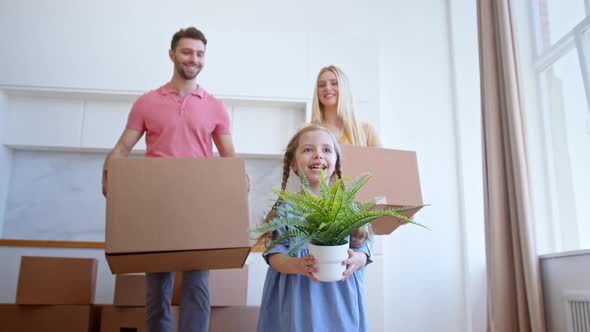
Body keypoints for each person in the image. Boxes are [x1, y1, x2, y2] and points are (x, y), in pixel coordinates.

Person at [101, 27, 236, 332]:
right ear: (172, 54)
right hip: (156, 205)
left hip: (198, 207)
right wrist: (109, 170)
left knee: (197, 288)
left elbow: (229, 156)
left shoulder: (215, 106)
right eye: (187, 52)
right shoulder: (147, 103)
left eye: (200, 54)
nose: (194, 59)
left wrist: (240, 184)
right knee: (157, 291)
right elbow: (123, 148)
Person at [256, 125, 372, 332]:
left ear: (335, 161)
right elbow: (274, 255)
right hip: (297, 301)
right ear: (292, 163)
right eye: (308, 150)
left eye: (327, 150)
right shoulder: (285, 209)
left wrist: (358, 260)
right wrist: (297, 264)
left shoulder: (348, 207)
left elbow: (364, 245)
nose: (318, 155)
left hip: (340, 300)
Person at [307, 65, 382, 147]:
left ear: (344, 89)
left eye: (334, 83)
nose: (327, 88)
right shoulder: (307, 131)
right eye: (321, 85)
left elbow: (383, 159)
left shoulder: (366, 131)